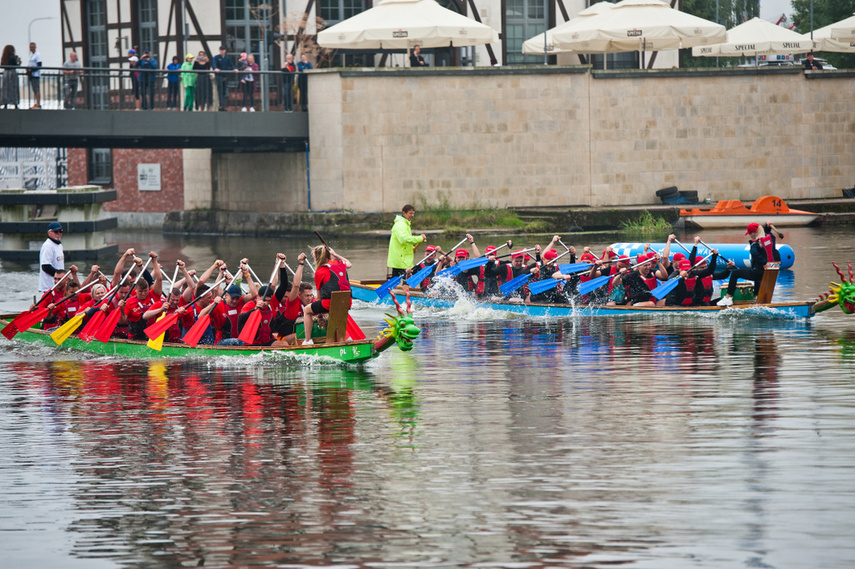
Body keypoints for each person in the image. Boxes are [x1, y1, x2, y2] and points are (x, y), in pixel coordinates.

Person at [301, 245, 351, 345]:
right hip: (347, 302)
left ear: (318, 257)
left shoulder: (320, 271)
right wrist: (335, 254)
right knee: (333, 313)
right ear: (329, 255)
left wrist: (319, 314)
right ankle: (340, 340)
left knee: (307, 310)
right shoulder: (340, 264)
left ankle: (307, 340)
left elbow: (319, 297)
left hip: (330, 303)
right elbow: (349, 264)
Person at [717, 222, 769, 306]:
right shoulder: (766, 241)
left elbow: (754, 252)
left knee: (735, 273)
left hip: (757, 272)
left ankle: (728, 297)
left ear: (753, 233)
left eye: (749, 234)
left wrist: (764, 262)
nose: (750, 236)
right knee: (756, 277)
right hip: (764, 273)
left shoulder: (755, 243)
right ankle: (756, 298)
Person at [387, 204, 427, 278]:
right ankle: (398, 289)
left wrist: (411, 248)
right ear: (404, 213)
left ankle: (394, 289)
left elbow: (404, 241)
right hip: (401, 259)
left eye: (413, 213)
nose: (412, 215)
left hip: (401, 259)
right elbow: (403, 239)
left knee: (398, 278)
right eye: (410, 213)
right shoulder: (401, 225)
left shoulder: (405, 224)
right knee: (406, 279)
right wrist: (419, 238)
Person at [38, 222, 65, 294]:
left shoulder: (59, 245)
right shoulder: (48, 246)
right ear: (49, 232)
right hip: (50, 285)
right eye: (56, 231)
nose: (59, 233)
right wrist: (61, 276)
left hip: (59, 284)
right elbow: (45, 266)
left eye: (60, 231)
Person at [212, 45, 234, 111]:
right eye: (221, 50)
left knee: (224, 91)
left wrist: (234, 69)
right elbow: (214, 63)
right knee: (220, 90)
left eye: (223, 50)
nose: (222, 51)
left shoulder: (227, 58)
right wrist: (216, 68)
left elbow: (231, 64)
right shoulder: (216, 57)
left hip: (225, 76)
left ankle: (223, 105)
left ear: (225, 51)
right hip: (219, 76)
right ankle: (221, 105)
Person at [1, 45, 21, 109]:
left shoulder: (4, 57)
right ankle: (15, 104)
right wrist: (19, 62)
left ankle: (5, 104)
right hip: (12, 74)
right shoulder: (12, 57)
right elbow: (16, 65)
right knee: (13, 89)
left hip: (5, 74)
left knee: (5, 90)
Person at [26, 42, 42, 109]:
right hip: (32, 75)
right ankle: (36, 102)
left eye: (32, 47)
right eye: (30, 47)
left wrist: (31, 70)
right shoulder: (31, 55)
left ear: (35, 47)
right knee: (34, 89)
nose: (31, 48)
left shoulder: (37, 55)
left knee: (36, 89)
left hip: (35, 75)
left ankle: (38, 103)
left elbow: (39, 65)